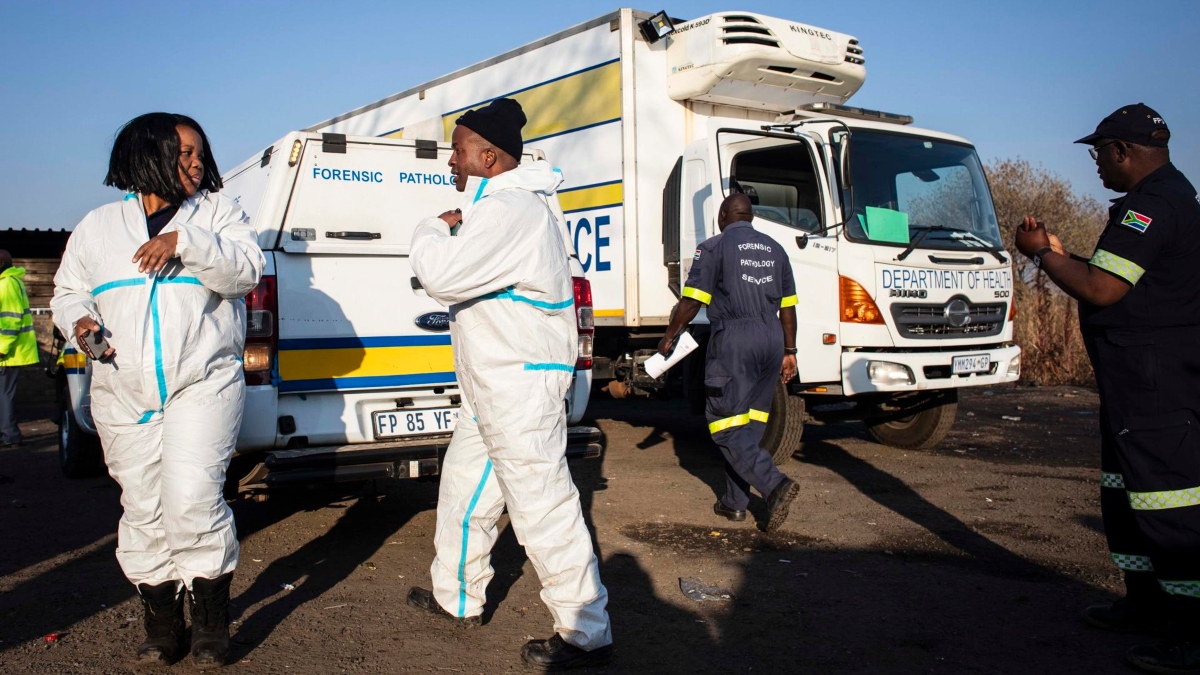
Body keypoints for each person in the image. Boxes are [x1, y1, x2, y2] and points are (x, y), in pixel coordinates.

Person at [405, 98, 613, 670]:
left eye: (459, 149)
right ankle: (458, 599)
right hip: (492, 385)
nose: (452, 159)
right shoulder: (499, 209)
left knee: (542, 507)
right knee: (464, 490)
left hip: (518, 387)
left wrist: (431, 228)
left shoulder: (511, 210)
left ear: (489, 157)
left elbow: (441, 275)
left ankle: (585, 632)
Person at [51, 112, 264, 669]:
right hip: (123, 390)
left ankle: (212, 623)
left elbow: (245, 273)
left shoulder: (218, 214)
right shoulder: (98, 227)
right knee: (142, 508)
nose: (196, 163)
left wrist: (185, 242)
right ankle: (162, 624)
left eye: (199, 153)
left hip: (203, 383)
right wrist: (79, 322)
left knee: (192, 499)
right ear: (146, 155)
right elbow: (68, 291)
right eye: (184, 153)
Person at [1014, 103, 1200, 673]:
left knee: (1168, 505)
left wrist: (1044, 254)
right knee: (1124, 497)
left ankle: (1192, 633)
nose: (1096, 164)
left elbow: (1101, 290)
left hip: (1157, 389)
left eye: (1099, 153)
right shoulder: (1168, 200)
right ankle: (1144, 604)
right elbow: (1117, 277)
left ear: (1122, 151)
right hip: (1132, 387)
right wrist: (1066, 257)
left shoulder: (1152, 208)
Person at [658, 193, 801, 532]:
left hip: (736, 339)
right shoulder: (775, 249)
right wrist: (790, 351)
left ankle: (774, 484)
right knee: (749, 424)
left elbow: (692, 302)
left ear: (723, 215)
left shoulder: (714, 248)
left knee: (723, 423)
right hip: (771, 339)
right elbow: (789, 307)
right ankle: (735, 503)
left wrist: (669, 336)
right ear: (750, 216)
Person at [0, 249, 38, 448]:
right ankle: (7, 434)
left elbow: (11, 320)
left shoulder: (6, 284)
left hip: (8, 353)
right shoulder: (11, 282)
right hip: (11, 352)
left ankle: (10, 436)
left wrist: (2, 348)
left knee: (4, 396)